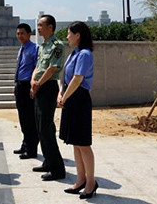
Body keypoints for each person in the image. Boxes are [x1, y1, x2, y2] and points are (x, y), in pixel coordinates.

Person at [58, 21, 98, 199]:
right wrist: (61, 93)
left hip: (79, 99)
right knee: (75, 141)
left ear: (78, 35)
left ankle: (91, 182)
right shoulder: (73, 53)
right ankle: (80, 179)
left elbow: (77, 79)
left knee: (83, 143)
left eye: (69, 33)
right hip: (69, 97)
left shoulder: (84, 54)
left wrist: (64, 97)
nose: (67, 36)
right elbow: (65, 78)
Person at [30, 14, 66, 181]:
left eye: (40, 25)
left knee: (46, 129)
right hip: (38, 87)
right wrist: (32, 82)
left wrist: (38, 84)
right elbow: (38, 66)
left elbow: (52, 68)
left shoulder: (57, 45)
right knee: (39, 127)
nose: (38, 28)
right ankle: (48, 162)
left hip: (48, 87)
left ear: (50, 27)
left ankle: (57, 169)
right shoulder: (43, 46)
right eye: (37, 25)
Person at [13, 23, 39, 159]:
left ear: (29, 34)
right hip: (19, 86)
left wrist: (33, 87)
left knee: (29, 119)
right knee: (23, 118)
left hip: (27, 86)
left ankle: (31, 149)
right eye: (18, 33)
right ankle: (25, 144)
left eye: (22, 33)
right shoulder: (22, 49)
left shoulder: (34, 49)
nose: (20, 36)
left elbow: (37, 68)